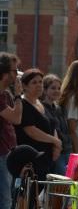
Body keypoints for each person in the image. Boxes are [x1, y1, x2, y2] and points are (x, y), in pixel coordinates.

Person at [15, 69, 62, 181]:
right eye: (34, 82)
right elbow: (30, 130)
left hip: (47, 157)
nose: (39, 85)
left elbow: (52, 124)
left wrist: (57, 146)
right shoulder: (23, 104)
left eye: (40, 82)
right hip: (31, 159)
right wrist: (54, 141)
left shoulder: (40, 103)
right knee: (32, 194)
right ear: (24, 86)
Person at [0, 52, 22, 209]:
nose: (17, 74)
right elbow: (16, 118)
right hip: (0, 154)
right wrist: (18, 95)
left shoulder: (5, 94)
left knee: (9, 198)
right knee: (5, 200)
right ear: (5, 73)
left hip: (7, 153)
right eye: (15, 71)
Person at [42, 74, 72, 174]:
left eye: (59, 88)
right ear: (45, 90)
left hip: (67, 150)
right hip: (56, 152)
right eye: (53, 88)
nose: (57, 91)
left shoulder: (58, 108)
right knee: (61, 183)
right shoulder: (42, 108)